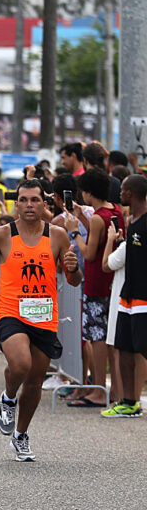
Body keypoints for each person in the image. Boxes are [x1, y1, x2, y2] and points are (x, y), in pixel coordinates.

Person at [0, 180, 82, 462]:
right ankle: (8, 399)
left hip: (44, 315)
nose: (29, 205)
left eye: (35, 200)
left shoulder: (56, 235)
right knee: (20, 363)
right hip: (11, 312)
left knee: (33, 381)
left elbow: (73, 279)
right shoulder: (2, 235)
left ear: (44, 204)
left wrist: (74, 269)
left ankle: (20, 435)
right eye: (24, 200)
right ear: (16, 204)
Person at [66, 168, 125, 407]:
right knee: (108, 339)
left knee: (98, 338)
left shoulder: (99, 217)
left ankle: (100, 389)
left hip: (96, 283)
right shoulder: (113, 210)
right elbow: (99, 235)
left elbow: (90, 253)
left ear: (88, 192)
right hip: (109, 283)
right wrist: (81, 218)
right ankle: (115, 392)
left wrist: (74, 232)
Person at [102, 174, 147, 417]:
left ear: (131, 193)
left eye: (123, 190)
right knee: (124, 349)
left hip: (144, 298)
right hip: (126, 297)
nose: (120, 193)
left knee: (142, 347)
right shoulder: (131, 220)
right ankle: (129, 402)